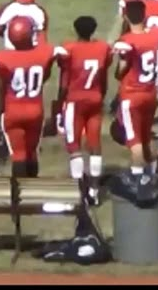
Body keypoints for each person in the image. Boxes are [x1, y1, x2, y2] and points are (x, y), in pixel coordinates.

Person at [53, 15, 112, 201]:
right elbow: (103, 78)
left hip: (75, 101)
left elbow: (63, 82)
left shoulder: (69, 48)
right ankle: (94, 191)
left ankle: (78, 191)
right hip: (95, 98)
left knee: (74, 145)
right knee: (95, 145)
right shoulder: (103, 48)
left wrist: (59, 102)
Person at [0, 16, 54, 178]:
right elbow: (45, 74)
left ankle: (20, 197)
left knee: (18, 155)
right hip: (35, 111)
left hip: (13, 112)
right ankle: (33, 191)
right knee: (32, 153)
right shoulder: (44, 53)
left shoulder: (1, 58)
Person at [113, 0, 158, 180]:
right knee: (147, 135)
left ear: (126, 16)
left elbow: (121, 70)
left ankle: (139, 182)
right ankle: (153, 176)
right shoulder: (157, 35)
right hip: (150, 93)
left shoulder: (127, 41)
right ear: (145, 15)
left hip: (132, 95)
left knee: (135, 141)